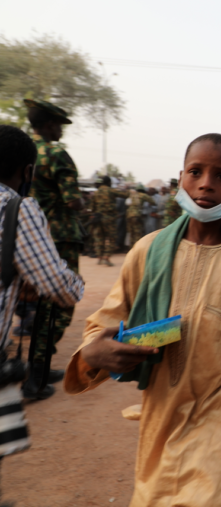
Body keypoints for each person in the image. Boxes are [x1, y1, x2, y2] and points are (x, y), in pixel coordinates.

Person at [64, 133, 221, 506]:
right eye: (196, 172)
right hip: (161, 414)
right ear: (181, 178)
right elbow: (106, 321)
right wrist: (93, 352)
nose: (206, 184)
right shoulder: (147, 250)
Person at [0, 125, 84, 404]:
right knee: (53, 307)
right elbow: (60, 287)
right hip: (50, 241)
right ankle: (37, 374)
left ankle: (38, 372)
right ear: (27, 172)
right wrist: (76, 284)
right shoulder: (18, 207)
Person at [23, 98, 84, 400]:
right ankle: (35, 377)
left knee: (33, 301)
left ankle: (39, 368)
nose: (60, 130)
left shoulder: (21, 150)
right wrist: (82, 207)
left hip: (24, 235)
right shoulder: (55, 153)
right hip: (58, 237)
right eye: (58, 124)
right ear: (48, 125)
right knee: (61, 302)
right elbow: (72, 199)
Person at [91, 176, 129, 267]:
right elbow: (125, 195)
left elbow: (93, 207)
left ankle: (99, 257)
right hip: (109, 218)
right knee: (112, 237)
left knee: (100, 237)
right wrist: (126, 190)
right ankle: (107, 257)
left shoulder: (96, 192)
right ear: (109, 182)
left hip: (98, 217)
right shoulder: (111, 190)